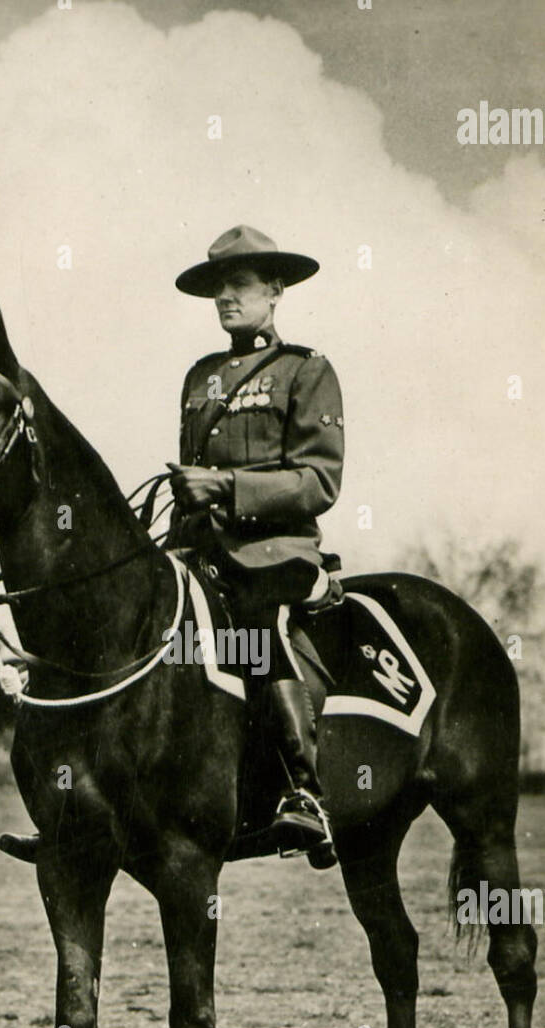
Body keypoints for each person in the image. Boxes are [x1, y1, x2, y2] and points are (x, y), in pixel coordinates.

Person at [168, 225, 344, 863]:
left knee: (259, 624)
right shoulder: (199, 378)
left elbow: (320, 480)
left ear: (274, 289)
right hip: (201, 553)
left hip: (273, 554)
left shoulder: (306, 370)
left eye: (240, 284)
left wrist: (224, 485)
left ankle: (305, 791)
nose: (226, 298)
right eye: (219, 286)